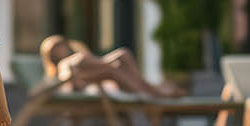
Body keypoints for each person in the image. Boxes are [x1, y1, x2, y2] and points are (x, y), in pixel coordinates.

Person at [39, 34, 180, 98]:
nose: (61, 50)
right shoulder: (58, 69)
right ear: (49, 55)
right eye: (56, 49)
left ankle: (150, 89)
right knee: (116, 64)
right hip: (90, 86)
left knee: (121, 58)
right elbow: (69, 84)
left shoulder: (71, 59)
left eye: (62, 45)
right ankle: (153, 91)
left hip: (100, 80)